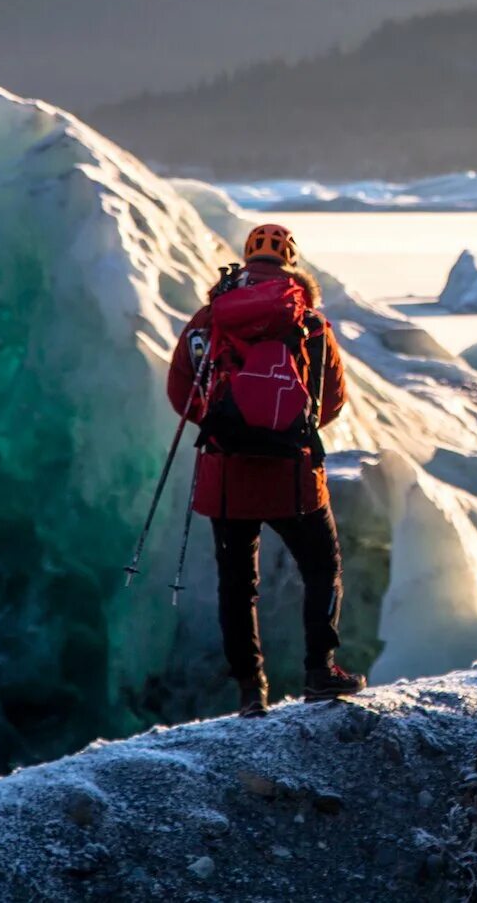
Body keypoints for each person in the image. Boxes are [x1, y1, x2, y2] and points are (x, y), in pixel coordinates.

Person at [165, 222, 364, 715]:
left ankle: (251, 692)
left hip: (227, 475)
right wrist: (282, 425)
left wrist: (222, 423)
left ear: (245, 261)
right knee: (321, 568)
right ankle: (320, 672)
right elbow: (331, 400)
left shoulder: (209, 320)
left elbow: (180, 391)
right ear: (291, 264)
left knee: (237, 586)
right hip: (292, 477)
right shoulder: (309, 324)